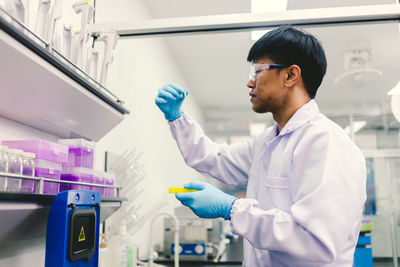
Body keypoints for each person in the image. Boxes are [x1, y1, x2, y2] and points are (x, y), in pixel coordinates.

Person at [155, 26, 366, 266]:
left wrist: (232, 208)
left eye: (258, 71)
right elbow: (213, 158)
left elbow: (316, 244)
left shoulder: (327, 143)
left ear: (290, 75)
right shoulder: (267, 141)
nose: (249, 82)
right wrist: (177, 117)